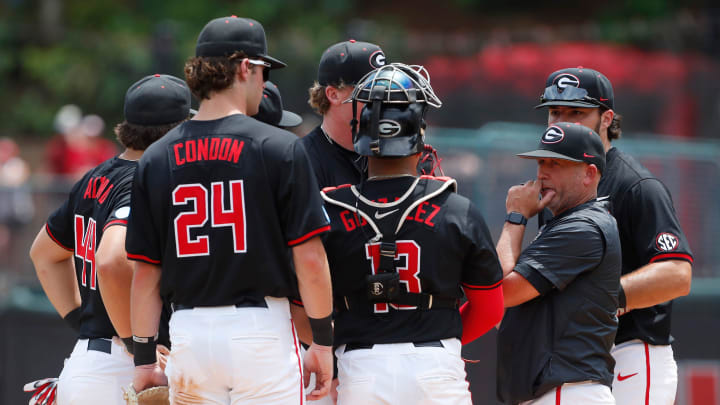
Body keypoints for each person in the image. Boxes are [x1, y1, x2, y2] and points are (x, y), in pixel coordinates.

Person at [125, 16, 334, 404]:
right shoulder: (280, 147)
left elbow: (145, 274)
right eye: (262, 70)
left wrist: (142, 360)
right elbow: (310, 260)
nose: (264, 82)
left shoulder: (156, 157)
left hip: (188, 334)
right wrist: (322, 341)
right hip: (260, 332)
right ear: (244, 67)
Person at [320, 63, 504, 405]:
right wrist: (440, 337)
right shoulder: (457, 208)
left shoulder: (329, 208)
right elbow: (491, 309)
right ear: (419, 135)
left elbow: (307, 304)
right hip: (434, 363)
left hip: (358, 367)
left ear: (361, 137)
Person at [28, 73, 191, 405]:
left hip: (91, 360)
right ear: (177, 129)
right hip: (126, 366)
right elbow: (112, 259)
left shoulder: (97, 176)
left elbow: (43, 253)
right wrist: (137, 348)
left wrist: (82, 321)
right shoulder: (142, 180)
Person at [535, 67, 693, 404]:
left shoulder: (636, 186)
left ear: (606, 118)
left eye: (576, 112)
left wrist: (603, 300)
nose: (563, 120)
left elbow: (677, 274)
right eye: (555, 111)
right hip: (575, 358)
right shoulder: (553, 187)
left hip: (631, 351)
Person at [496, 122, 621, 404]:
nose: (543, 173)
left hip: (569, 392)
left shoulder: (583, 227)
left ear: (589, 174)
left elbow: (501, 290)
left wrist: (515, 216)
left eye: (557, 163)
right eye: (541, 162)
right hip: (558, 391)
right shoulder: (564, 223)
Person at [302, 39, 386, 189]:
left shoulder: (399, 151)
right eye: (370, 89)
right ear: (333, 94)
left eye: (386, 88)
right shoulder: (304, 160)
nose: (382, 98)